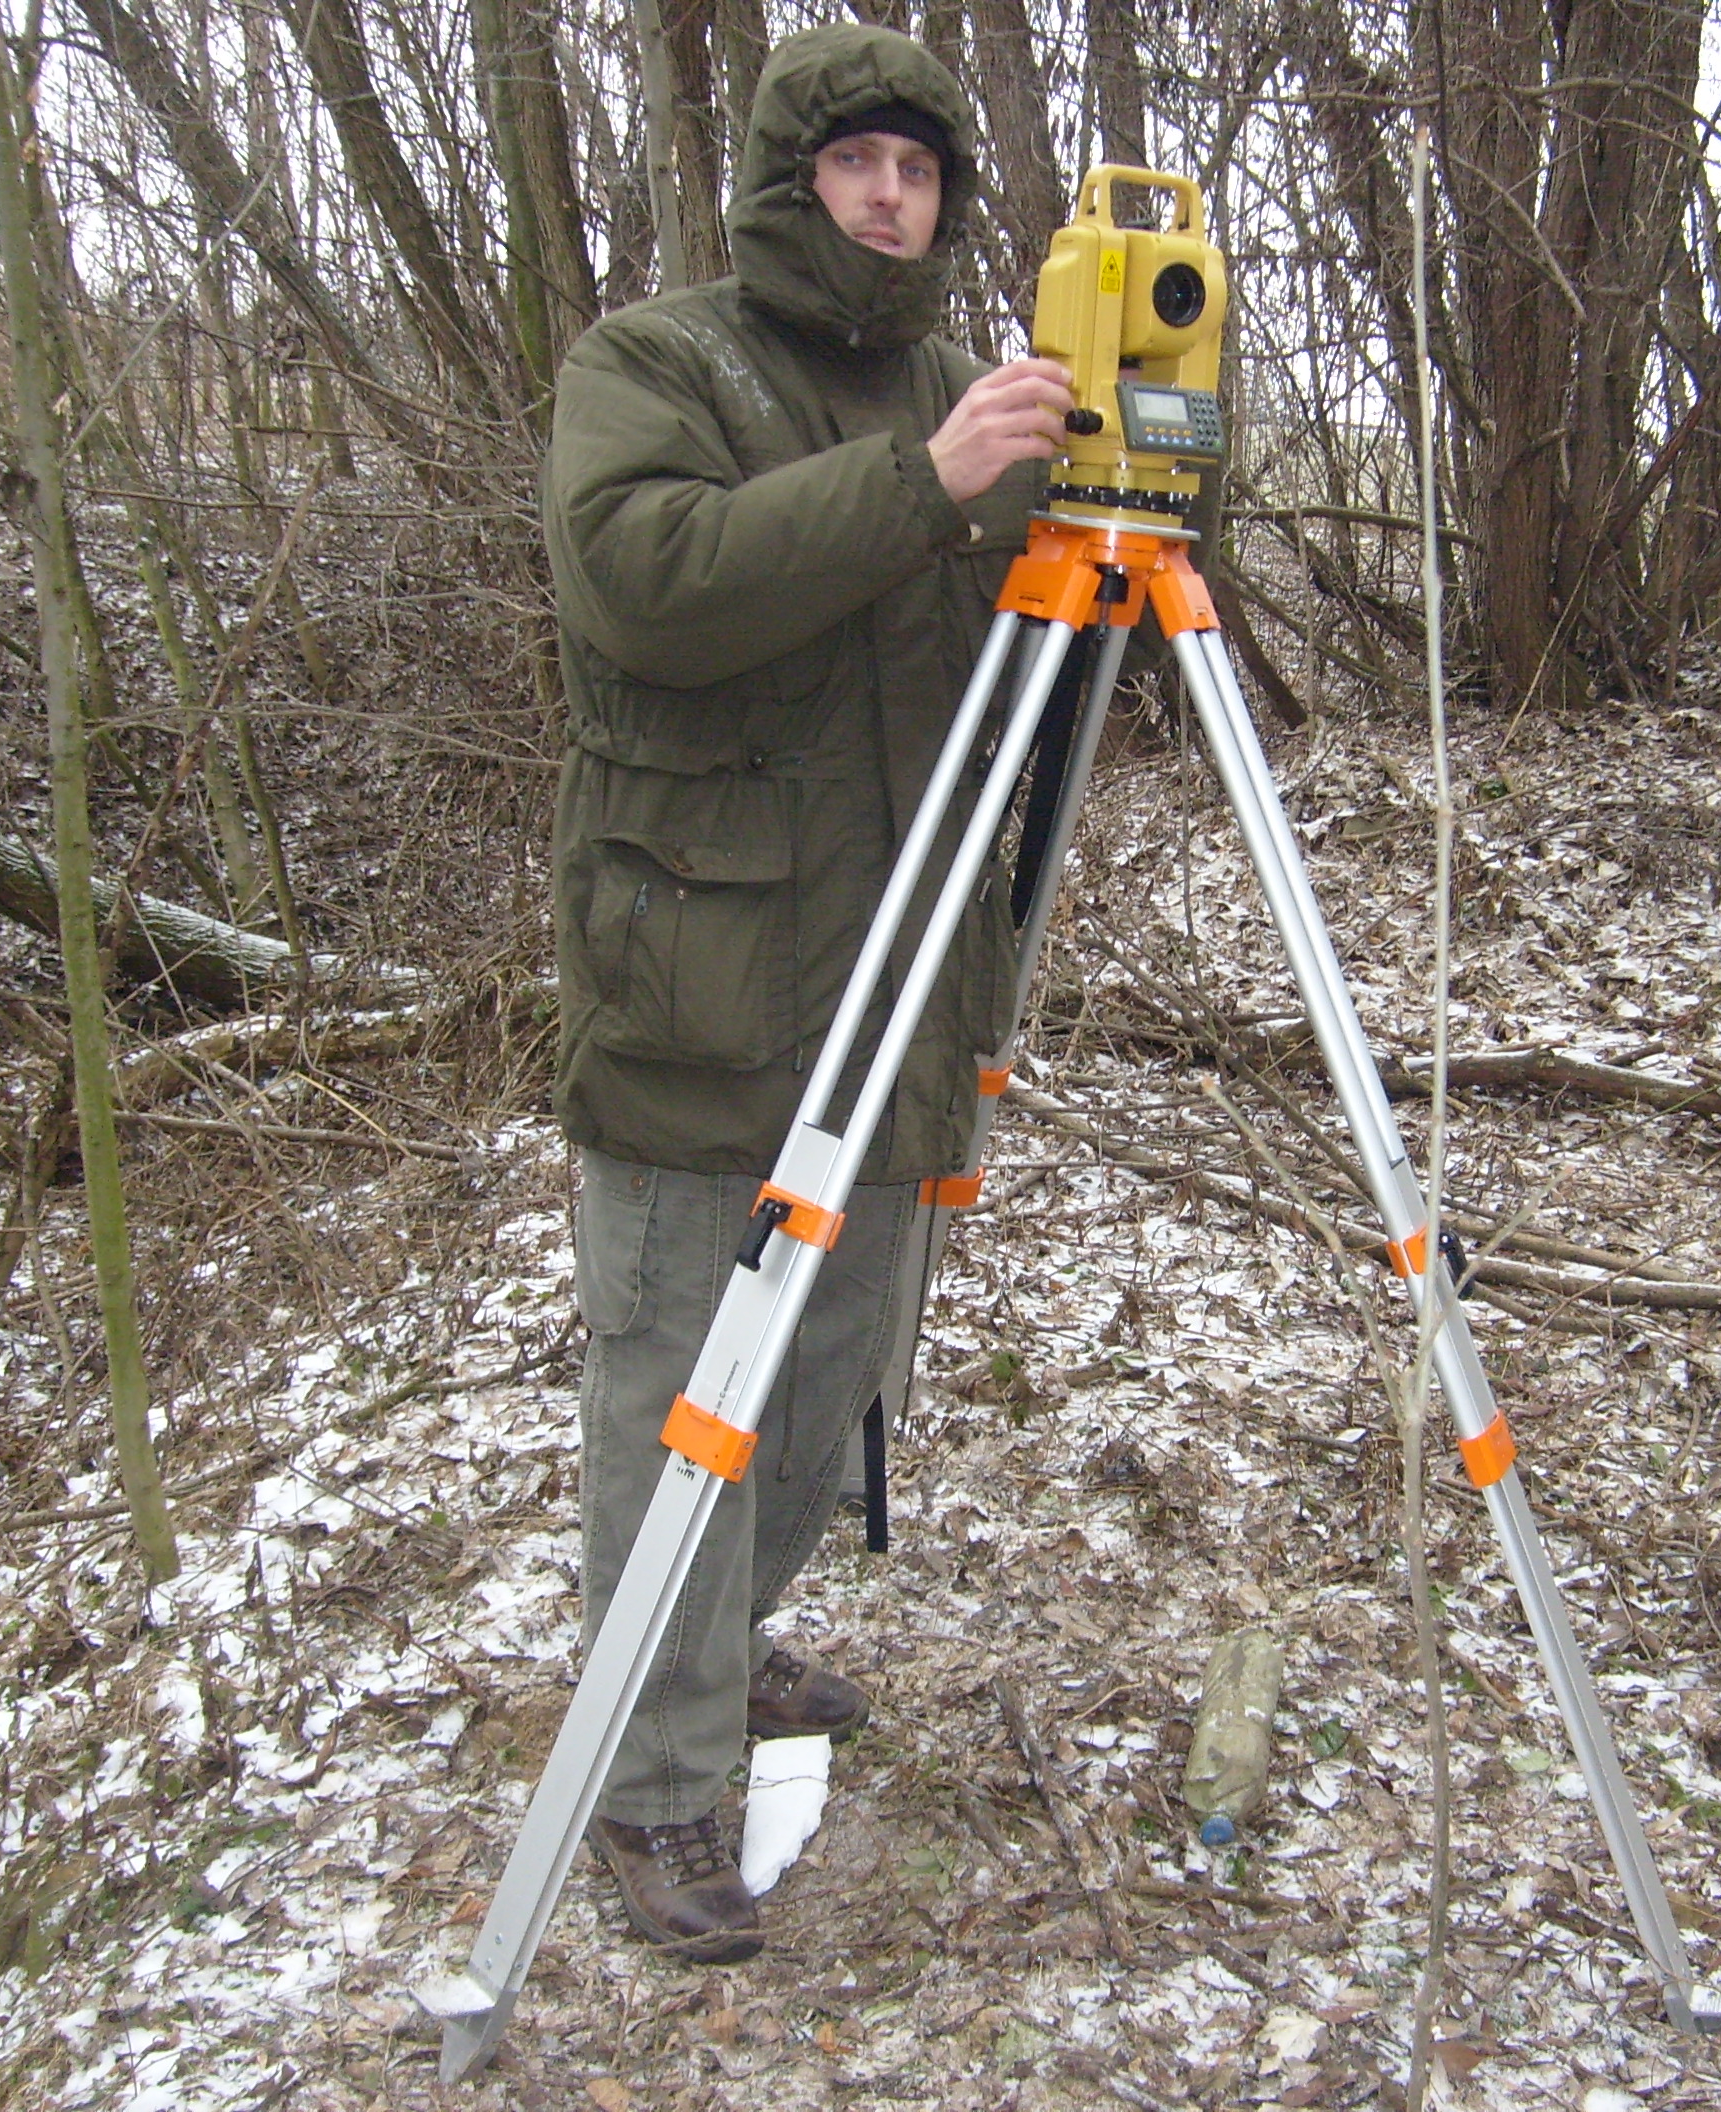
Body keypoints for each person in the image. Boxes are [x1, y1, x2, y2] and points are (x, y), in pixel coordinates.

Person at [542, 22, 1074, 1962]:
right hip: (703, 969)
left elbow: (1090, 583)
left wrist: (1147, 425)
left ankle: (719, 1647)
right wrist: (926, 484)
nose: (889, 197)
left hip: (900, 981)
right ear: (791, 180)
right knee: (680, 1386)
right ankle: (655, 1781)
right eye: (855, 163)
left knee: (833, 1360)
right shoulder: (655, 364)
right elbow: (643, 581)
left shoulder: (964, 382)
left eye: (919, 172)